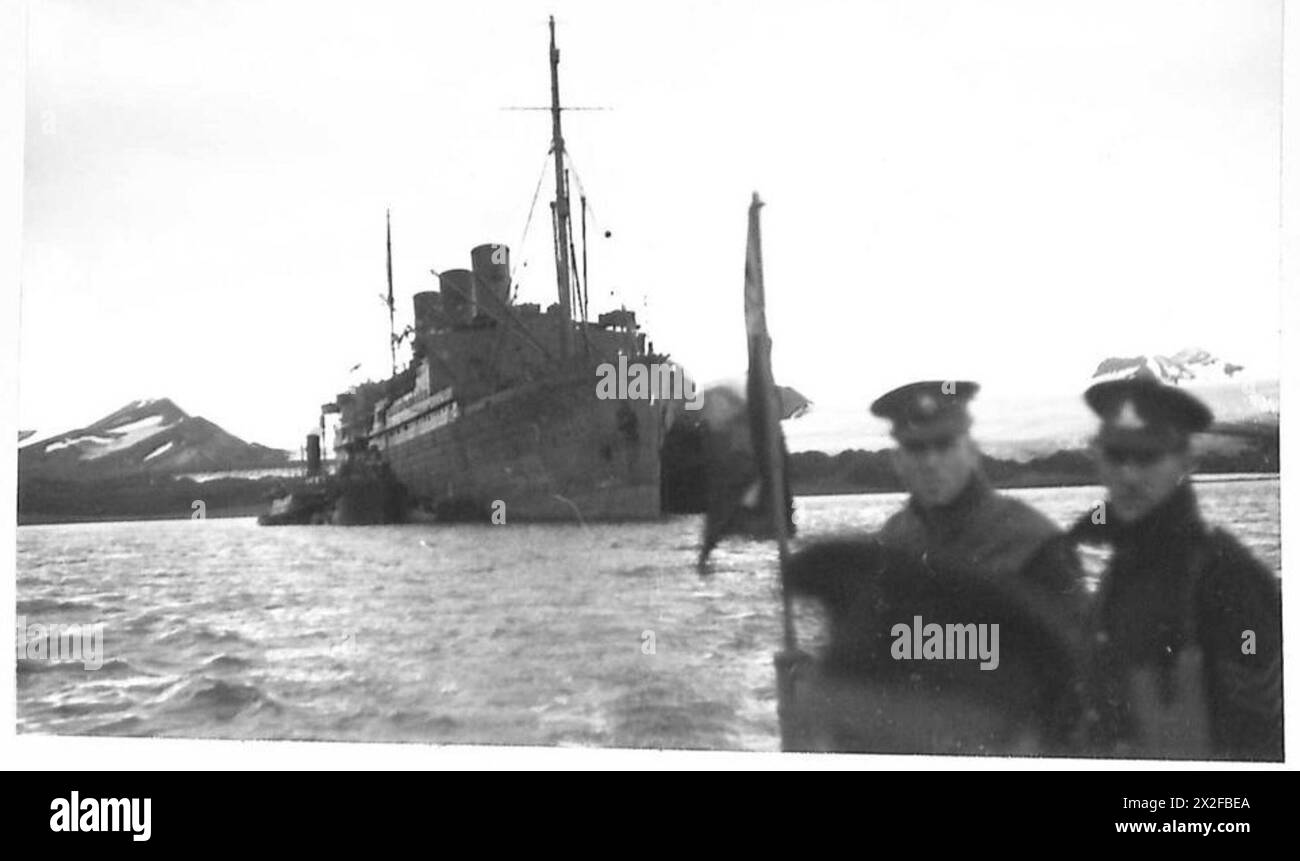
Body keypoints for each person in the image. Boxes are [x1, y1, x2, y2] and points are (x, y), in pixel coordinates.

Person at [1057, 376, 1282, 760]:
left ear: (1184, 461)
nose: (1128, 475)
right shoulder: (1122, 568)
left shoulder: (1226, 579)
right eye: (1115, 454)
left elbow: (1267, 739)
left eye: (1147, 456)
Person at [869, 381, 1075, 592]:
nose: (930, 462)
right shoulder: (891, 540)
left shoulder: (1034, 543)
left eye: (944, 446)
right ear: (897, 461)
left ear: (972, 452)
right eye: (915, 449)